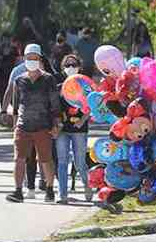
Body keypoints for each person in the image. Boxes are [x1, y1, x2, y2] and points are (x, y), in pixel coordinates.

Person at [6, 44, 61, 204]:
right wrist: (15, 127)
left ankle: (50, 189)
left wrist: (56, 124)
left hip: (43, 126)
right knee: (19, 159)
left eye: (35, 58)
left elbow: (55, 105)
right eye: (28, 58)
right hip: (23, 126)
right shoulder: (19, 80)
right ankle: (18, 191)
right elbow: (16, 106)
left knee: (46, 159)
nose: (31, 61)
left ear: (40, 59)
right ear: (24, 59)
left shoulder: (48, 79)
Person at [56, 55, 93, 204]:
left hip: (80, 129)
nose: (71, 67)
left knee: (79, 162)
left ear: (79, 67)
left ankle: (87, 185)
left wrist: (83, 120)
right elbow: (54, 107)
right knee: (62, 161)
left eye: (74, 64)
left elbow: (92, 104)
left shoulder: (85, 85)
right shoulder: (59, 87)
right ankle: (62, 194)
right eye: (68, 65)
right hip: (62, 130)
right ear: (63, 68)